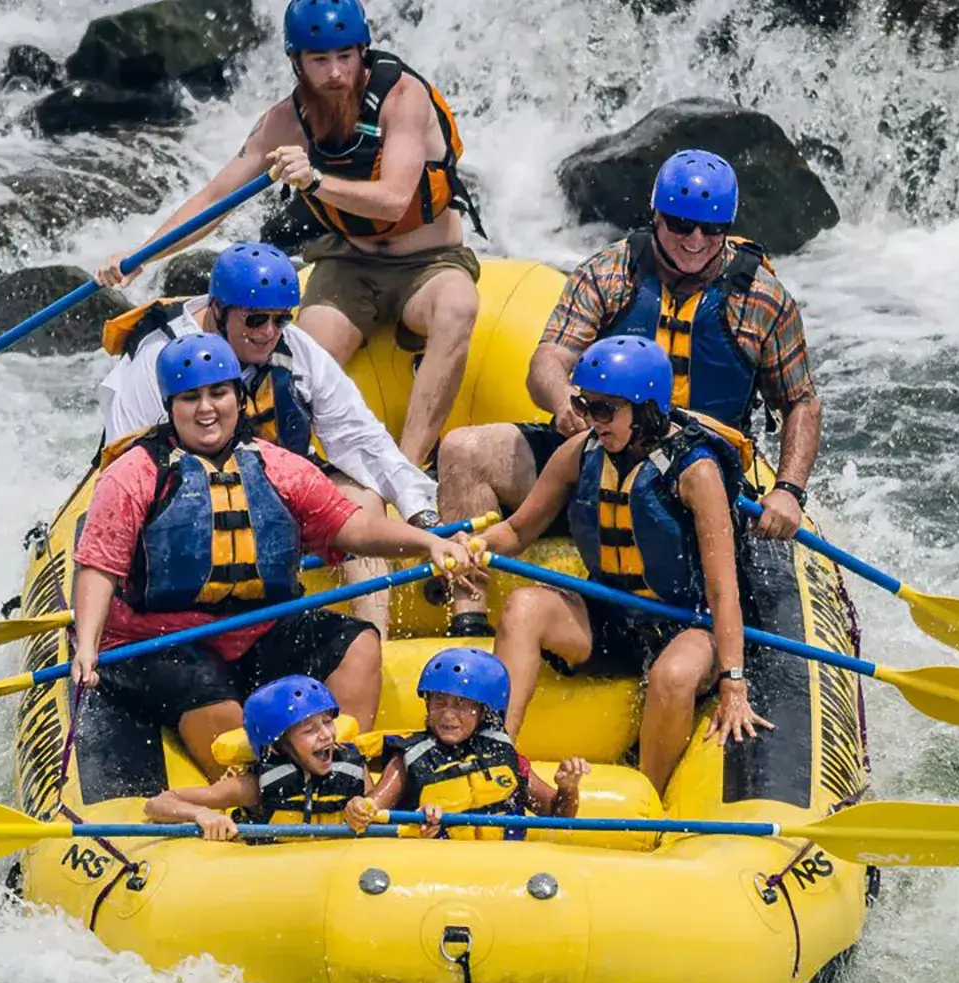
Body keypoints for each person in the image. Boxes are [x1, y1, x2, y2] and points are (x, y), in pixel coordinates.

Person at [433, 149, 821, 635]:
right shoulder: (609, 273)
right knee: (464, 450)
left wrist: (787, 490)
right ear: (655, 215)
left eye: (712, 228)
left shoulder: (762, 299)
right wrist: (564, 405)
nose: (696, 240)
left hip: (692, 472)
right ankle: (468, 621)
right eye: (681, 224)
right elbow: (548, 359)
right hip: (603, 444)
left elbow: (800, 401)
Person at [94, 0, 483, 469]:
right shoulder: (286, 122)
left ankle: (408, 468)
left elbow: (396, 198)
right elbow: (213, 200)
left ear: (363, 51)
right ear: (297, 63)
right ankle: (258, 472)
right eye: (320, 60)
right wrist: (142, 255)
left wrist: (314, 180)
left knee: (458, 307)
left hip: (431, 262)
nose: (336, 72)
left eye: (345, 56)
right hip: (349, 263)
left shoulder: (403, 98)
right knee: (293, 355)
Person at [70, 333, 472, 776]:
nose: (206, 409)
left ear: (238, 399)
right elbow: (99, 566)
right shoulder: (135, 473)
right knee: (211, 695)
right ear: (170, 407)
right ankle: (254, 789)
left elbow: (350, 526)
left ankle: (343, 771)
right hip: (165, 640)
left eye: (218, 393)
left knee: (356, 642)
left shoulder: (276, 466)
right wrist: (87, 647)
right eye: (190, 397)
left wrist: (428, 541)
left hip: (259, 630)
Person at [463, 337, 772, 796]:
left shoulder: (695, 472)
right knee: (523, 607)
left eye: (605, 410)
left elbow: (723, 589)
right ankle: (495, 763)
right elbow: (516, 530)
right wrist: (470, 547)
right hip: (613, 615)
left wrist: (734, 682)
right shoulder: (582, 452)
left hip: (687, 620)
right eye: (585, 406)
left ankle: (649, 795)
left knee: (673, 675)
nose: (591, 421)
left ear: (646, 409)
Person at [96, 241, 440, 636]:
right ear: (218, 311)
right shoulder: (161, 356)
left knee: (362, 497)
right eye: (257, 319)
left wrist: (420, 512)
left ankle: (372, 641)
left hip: (277, 488)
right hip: (183, 501)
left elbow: (359, 437)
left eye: (281, 319)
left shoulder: (293, 349)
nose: (270, 333)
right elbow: (127, 467)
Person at [366, 648, 589, 840]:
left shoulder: (503, 754)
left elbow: (559, 817)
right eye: (439, 702)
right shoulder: (406, 759)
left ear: (483, 711)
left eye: (461, 704)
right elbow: (367, 817)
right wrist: (412, 824)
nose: (448, 715)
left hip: (501, 870)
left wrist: (567, 788)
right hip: (434, 870)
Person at [143, 675, 381, 838]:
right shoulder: (253, 786)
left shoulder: (352, 770)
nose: (325, 735)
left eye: (327, 722)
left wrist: (364, 808)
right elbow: (157, 804)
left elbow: (381, 810)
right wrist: (201, 814)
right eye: (309, 730)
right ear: (277, 746)